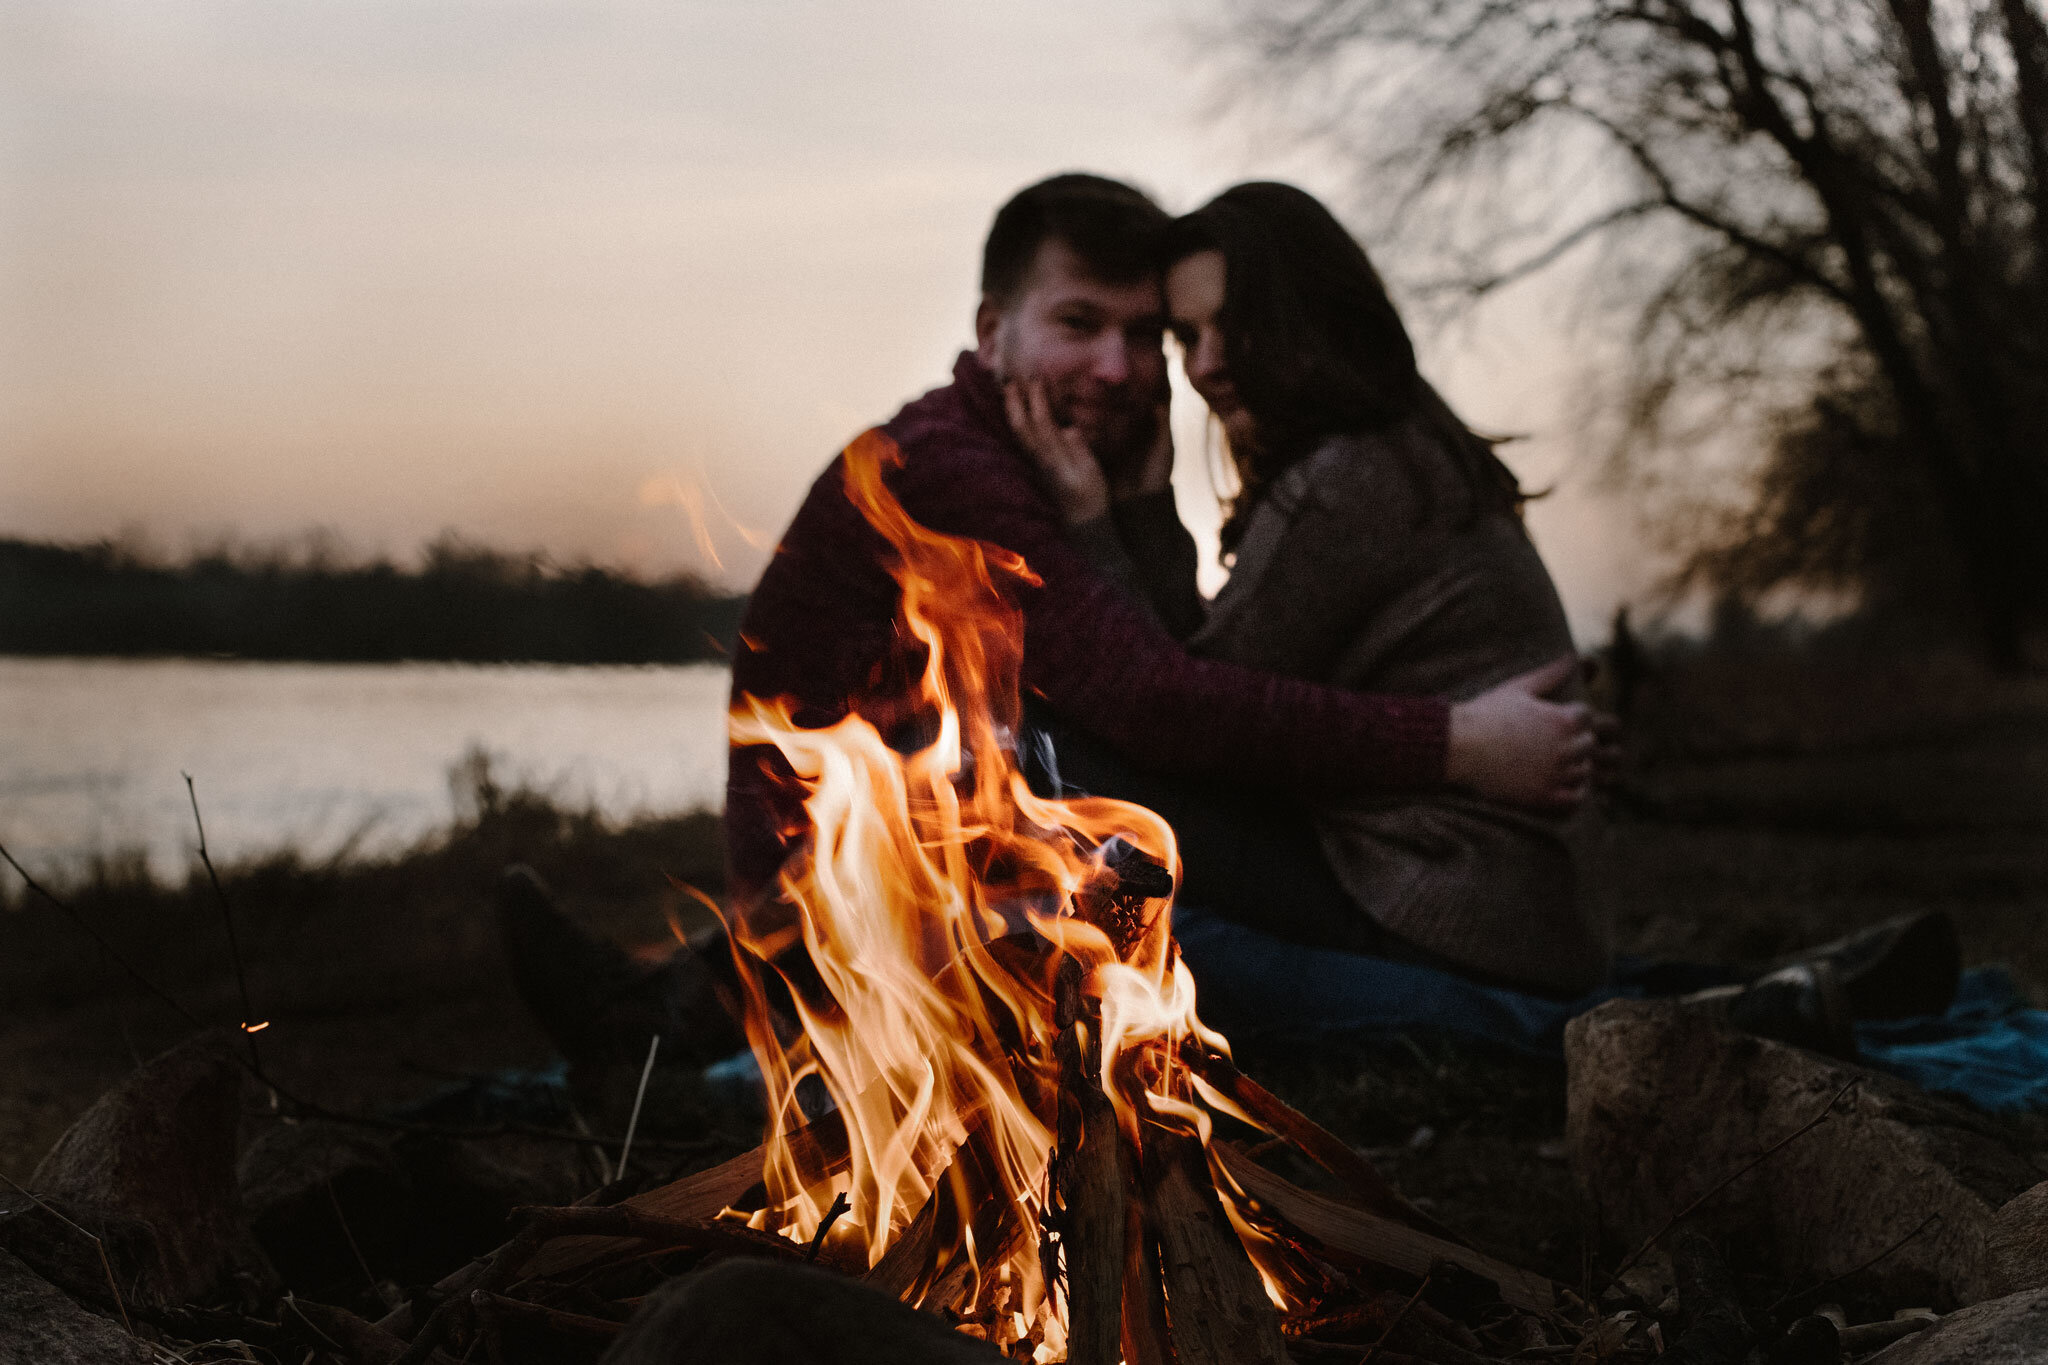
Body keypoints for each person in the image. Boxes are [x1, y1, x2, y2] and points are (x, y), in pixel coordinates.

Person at [722, 173, 1602, 927]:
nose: (1118, 368)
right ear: (993, 333)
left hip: (927, 884)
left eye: (1146, 336)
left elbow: (1173, 686)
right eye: (1079, 323)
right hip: (833, 914)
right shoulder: (956, 466)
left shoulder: (1331, 474)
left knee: (1098, 842)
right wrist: (1454, 742)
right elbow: (1158, 700)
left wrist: (1131, 515)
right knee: (1057, 765)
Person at [1007, 181, 1604, 997]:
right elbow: (1218, 680)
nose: (1207, 366)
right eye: (1188, 337)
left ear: (1309, 314)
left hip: (1439, 905)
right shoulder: (1392, 449)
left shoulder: (1350, 478)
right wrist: (1146, 511)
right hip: (1482, 898)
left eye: (1234, 325)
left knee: (1051, 744)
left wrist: (1101, 520)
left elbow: (1180, 716)